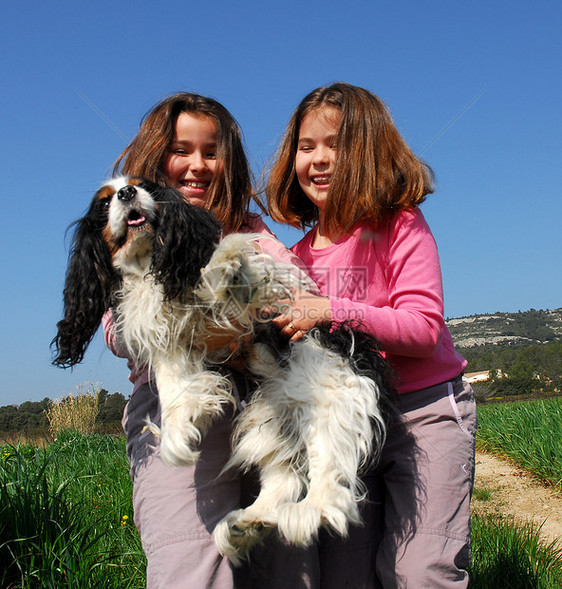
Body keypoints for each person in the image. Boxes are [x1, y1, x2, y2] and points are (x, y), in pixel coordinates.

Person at [266, 82, 477, 588]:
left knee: (419, 570)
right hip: (347, 429)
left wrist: (330, 309)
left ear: (368, 151)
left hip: (424, 415)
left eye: (335, 145)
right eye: (306, 146)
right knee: (345, 574)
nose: (318, 160)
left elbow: (425, 329)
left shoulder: (400, 224)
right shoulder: (295, 257)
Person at [104, 92, 316, 588]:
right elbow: (116, 331)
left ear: (230, 162)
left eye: (211, 152)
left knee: (287, 568)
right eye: (181, 151)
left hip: (268, 402)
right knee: (192, 565)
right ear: (156, 157)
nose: (197, 165)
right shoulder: (133, 225)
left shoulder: (250, 230)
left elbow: (299, 293)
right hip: (173, 412)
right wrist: (218, 328)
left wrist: (227, 323)